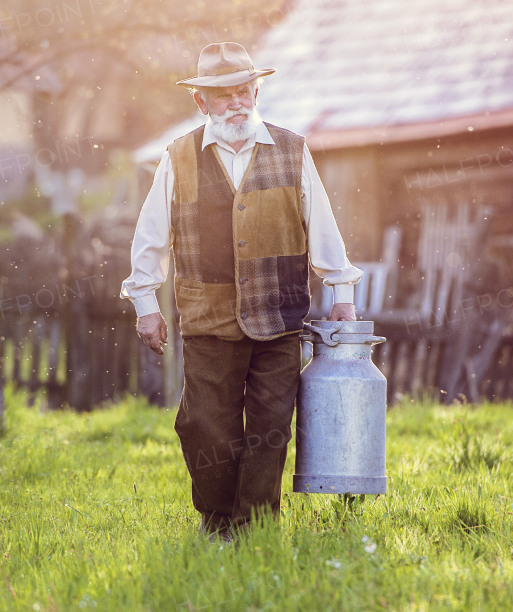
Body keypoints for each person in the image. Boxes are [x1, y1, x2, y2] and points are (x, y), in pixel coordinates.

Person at [121, 42, 361, 541]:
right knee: (206, 426)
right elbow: (150, 237)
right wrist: (146, 305)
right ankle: (216, 520)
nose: (237, 102)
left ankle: (253, 530)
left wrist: (341, 290)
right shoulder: (179, 157)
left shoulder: (292, 150)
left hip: (279, 319)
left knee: (271, 430)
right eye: (224, 94)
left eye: (245, 91)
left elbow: (323, 225)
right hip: (209, 319)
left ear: (257, 91)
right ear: (201, 102)